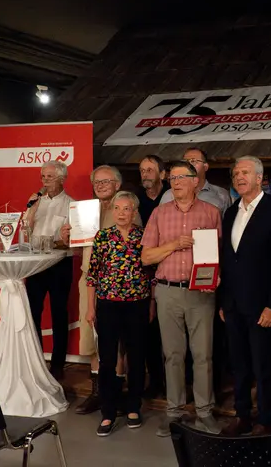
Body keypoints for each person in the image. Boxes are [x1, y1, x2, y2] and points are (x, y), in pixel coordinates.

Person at [141, 160, 223, 437]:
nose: (175, 182)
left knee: (203, 356)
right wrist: (175, 244)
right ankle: (174, 413)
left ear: (195, 181)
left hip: (201, 293)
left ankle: (205, 412)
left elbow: (218, 255)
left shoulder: (211, 213)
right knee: (173, 355)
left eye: (181, 177)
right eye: (172, 178)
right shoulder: (159, 213)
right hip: (168, 292)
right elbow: (146, 256)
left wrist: (216, 277)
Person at [219, 156, 271, 436]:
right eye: (236, 173)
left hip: (262, 305)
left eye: (245, 172)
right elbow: (228, 260)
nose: (239, 177)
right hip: (233, 304)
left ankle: (264, 419)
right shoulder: (230, 212)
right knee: (238, 364)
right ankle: (241, 415)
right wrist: (224, 300)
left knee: (262, 366)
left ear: (260, 178)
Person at [60, 165, 142, 415]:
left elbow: (135, 248)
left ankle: (117, 393)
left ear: (118, 184)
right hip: (90, 281)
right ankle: (98, 393)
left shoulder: (127, 209)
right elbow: (80, 249)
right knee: (91, 339)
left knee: (116, 344)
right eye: (97, 182)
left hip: (118, 286)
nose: (101, 185)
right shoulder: (86, 210)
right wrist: (67, 238)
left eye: (106, 181)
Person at [86, 191, 154, 436]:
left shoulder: (144, 236)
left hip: (138, 304)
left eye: (127, 209)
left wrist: (152, 304)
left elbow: (151, 274)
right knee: (107, 359)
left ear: (134, 212)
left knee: (136, 356)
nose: (121, 213)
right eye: (117, 208)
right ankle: (108, 411)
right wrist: (90, 307)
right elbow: (92, 274)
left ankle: (133, 407)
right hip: (108, 304)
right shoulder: (103, 236)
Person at [24, 160, 73, 380]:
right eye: (43, 176)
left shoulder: (71, 204)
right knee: (33, 311)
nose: (45, 181)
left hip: (59, 264)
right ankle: (36, 360)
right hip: (36, 263)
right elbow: (25, 233)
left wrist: (56, 242)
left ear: (62, 178)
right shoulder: (35, 202)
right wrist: (32, 210)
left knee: (58, 313)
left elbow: (72, 240)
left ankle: (58, 363)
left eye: (49, 177)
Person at [137, 154, 169, 399]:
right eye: (142, 170)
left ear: (162, 174)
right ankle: (156, 381)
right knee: (148, 330)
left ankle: (177, 382)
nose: (145, 174)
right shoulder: (136, 200)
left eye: (150, 169)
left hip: (168, 267)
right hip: (143, 270)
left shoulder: (170, 198)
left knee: (170, 331)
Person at [160, 147, 231, 215]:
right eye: (185, 162)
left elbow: (227, 222)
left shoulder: (221, 195)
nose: (189, 164)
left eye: (193, 161)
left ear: (205, 167)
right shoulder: (169, 195)